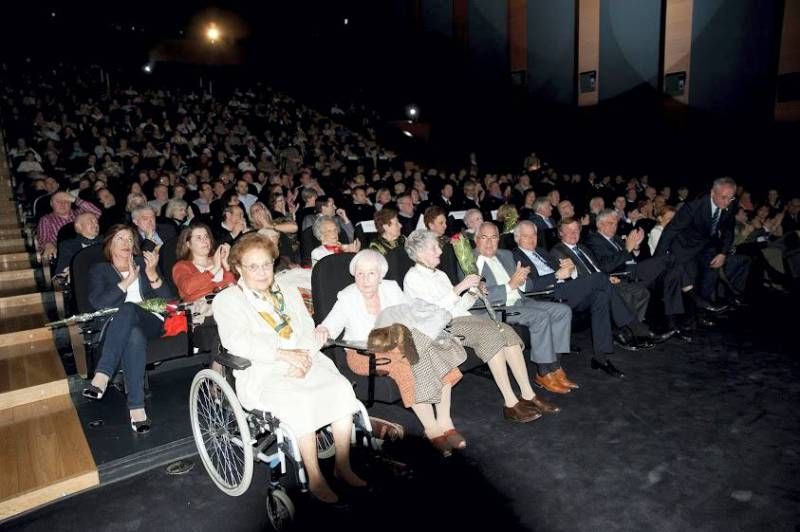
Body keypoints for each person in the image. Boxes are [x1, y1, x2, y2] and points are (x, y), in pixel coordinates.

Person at [213, 233, 366, 505]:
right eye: (253, 266)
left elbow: (307, 329)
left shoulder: (286, 291)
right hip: (263, 371)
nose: (262, 272)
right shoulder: (227, 300)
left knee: (340, 388)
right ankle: (315, 477)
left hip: (304, 359)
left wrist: (304, 357)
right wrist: (284, 356)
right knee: (301, 401)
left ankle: (342, 466)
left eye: (266, 265)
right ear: (238, 268)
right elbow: (237, 342)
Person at [316, 250, 468, 456]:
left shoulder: (391, 288)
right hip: (364, 353)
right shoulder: (347, 297)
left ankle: (445, 422)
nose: (364, 279)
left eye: (370, 273)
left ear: (381, 275)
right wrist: (323, 329)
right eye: (359, 274)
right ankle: (432, 429)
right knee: (407, 369)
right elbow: (330, 325)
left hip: (398, 344)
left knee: (437, 357)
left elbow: (410, 314)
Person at [404, 229, 559, 419]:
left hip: (461, 318)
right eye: (434, 248)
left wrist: (472, 293)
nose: (440, 252)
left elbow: (457, 305)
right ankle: (510, 403)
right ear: (420, 253)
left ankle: (528, 394)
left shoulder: (440, 275)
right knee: (491, 334)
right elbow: (433, 312)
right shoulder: (413, 278)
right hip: (442, 327)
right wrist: (460, 287)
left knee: (506, 331)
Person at [81, 225, 174, 433]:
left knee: (129, 307)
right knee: (133, 335)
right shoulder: (100, 270)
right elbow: (98, 303)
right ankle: (137, 408)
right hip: (117, 327)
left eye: (130, 240)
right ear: (110, 245)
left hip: (151, 320)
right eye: (120, 239)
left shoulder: (143, 263)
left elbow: (168, 302)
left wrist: (151, 274)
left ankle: (102, 375)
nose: (126, 243)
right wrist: (126, 282)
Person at [471, 222, 577, 393]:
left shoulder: (505, 255)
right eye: (484, 237)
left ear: (499, 239)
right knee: (540, 317)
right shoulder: (468, 261)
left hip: (520, 301)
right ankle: (543, 373)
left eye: (493, 237)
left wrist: (521, 280)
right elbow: (476, 298)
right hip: (496, 309)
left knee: (562, 311)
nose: (489, 242)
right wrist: (509, 285)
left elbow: (525, 285)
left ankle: (555, 367)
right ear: (476, 240)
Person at [36, 191, 101, 261]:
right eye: (58, 201)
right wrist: (48, 245)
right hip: (65, 255)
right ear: (51, 204)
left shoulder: (80, 214)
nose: (62, 204)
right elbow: (43, 240)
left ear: (71, 202)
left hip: (88, 249)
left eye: (66, 201)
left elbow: (97, 213)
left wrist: (75, 199)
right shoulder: (46, 220)